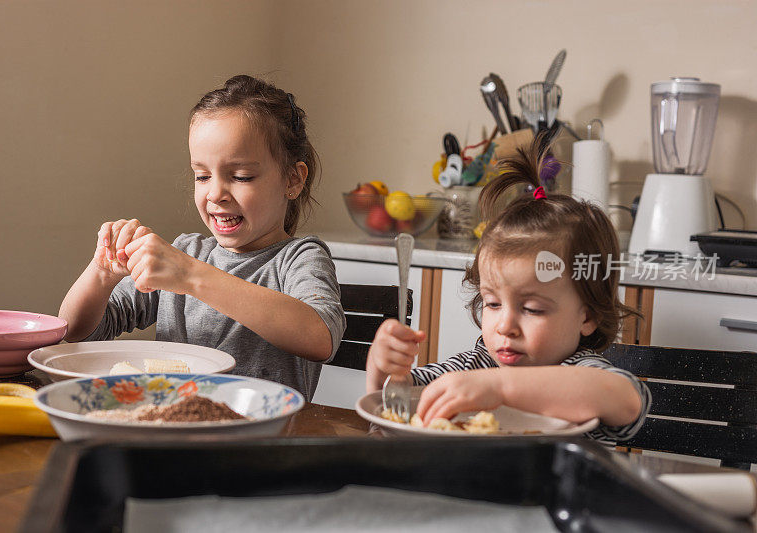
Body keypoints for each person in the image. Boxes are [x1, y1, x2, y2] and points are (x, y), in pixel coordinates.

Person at [59, 75, 346, 401]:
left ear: (292, 180)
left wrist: (190, 276)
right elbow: (75, 331)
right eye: (202, 176)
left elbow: (319, 338)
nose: (216, 193)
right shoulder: (185, 252)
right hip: (172, 432)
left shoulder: (299, 258)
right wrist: (102, 273)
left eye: (241, 176)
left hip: (259, 443)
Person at [366, 134, 651, 442]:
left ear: (588, 317)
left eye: (532, 308)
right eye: (492, 303)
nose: (505, 326)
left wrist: (498, 387)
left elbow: (627, 400)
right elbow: (397, 399)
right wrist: (382, 366)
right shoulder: (479, 364)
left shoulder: (581, 369)